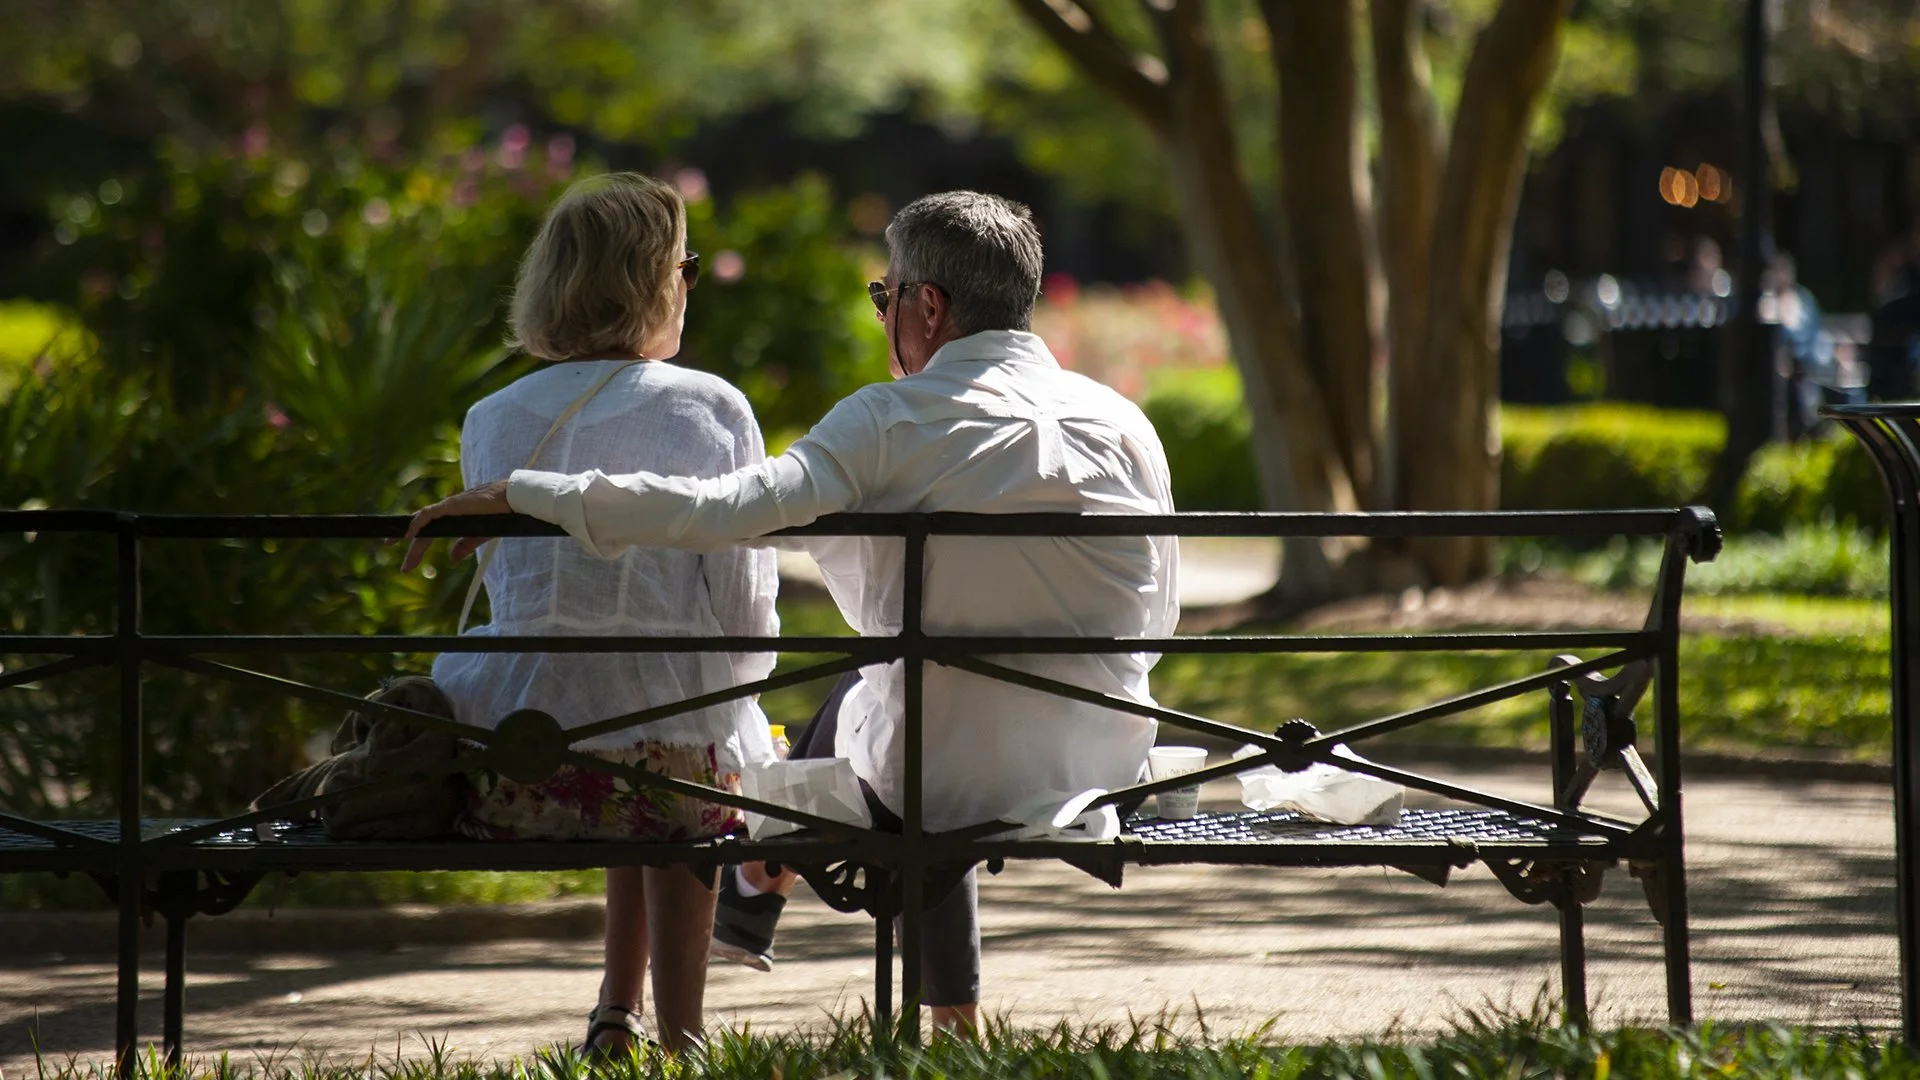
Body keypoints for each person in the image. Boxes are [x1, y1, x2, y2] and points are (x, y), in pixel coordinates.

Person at [401, 190, 1180, 1033]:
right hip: (1100, 755)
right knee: (907, 680)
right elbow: (1160, 615)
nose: (883, 313)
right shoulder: (1124, 421)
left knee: (901, 692)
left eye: (884, 297)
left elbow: (719, 508)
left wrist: (524, 492)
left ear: (928, 306)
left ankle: (757, 882)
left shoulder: (887, 419)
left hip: (938, 771)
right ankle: (776, 906)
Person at [429, 172, 779, 1056]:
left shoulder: (492, 417)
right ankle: (685, 1036)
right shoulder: (710, 408)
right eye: (685, 268)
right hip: (665, 765)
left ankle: (615, 1013)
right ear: (655, 279)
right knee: (675, 741)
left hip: (522, 768)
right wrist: (741, 708)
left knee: (631, 725)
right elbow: (742, 608)